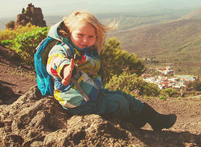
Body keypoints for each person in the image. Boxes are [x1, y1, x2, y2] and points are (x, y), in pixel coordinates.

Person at [46, 10, 176, 131]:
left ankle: (155, 119)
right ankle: (134, 121)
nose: (85, 40)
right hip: (78, 103)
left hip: (90, 93)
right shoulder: (63, 50)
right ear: (69, 32)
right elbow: (55, 61)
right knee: (120, 102)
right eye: (80, 35)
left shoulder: (86, 50)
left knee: (126, 97)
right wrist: (66, 69)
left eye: (91, 36)